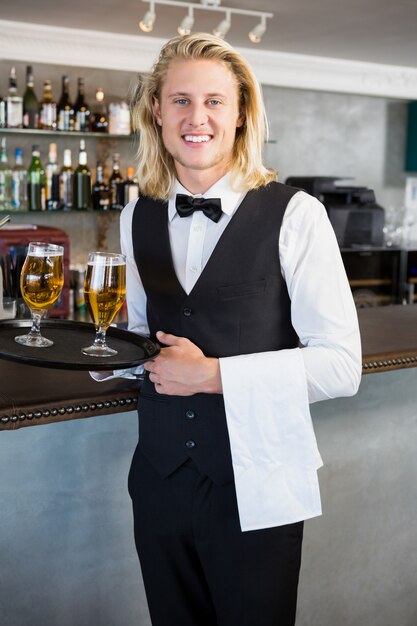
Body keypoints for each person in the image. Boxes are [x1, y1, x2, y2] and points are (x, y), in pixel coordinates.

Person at [119, 32, 361, 626]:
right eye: (179, 100)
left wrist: (212, 376)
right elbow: (138, 336)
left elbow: (341, 365)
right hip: (159, 478)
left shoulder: (297, 215)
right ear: (156, 110)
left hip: (258, 482)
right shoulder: (135, 214)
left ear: (241, 112)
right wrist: (97, 353)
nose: (195, 117)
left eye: (214, 101)